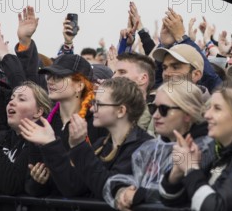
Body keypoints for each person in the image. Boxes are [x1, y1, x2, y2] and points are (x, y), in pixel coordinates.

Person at [19, 77, 151, 198]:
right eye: (93, 103)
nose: (92, 109)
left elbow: (109, 187)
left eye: (98, 104)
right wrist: (50, 143)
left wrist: (79, 145)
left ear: (121, 111)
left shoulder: (144, 146)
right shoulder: (102, 144)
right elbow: (74, 187)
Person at [160, 75, 232, 211]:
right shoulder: (214, 148)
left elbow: (214, 209)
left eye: (217, 109)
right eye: (209, 108)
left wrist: (191, 168)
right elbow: (171, 201)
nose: (207, 115)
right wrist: (177, 172)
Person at [104, 80, 209, 211]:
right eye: (153, 108)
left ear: (187, 114)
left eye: (163, 109)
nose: (155, 116)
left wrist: (139, 195)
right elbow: (124, 179)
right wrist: (121, 191)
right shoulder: (149, 148)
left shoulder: (205, 148)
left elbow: (188, 195)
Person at [0, 81, 51, 195]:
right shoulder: (3, 137)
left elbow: (12, 185)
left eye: (21, 99)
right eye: (11, 98)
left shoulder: (41, 142)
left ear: (38, 111)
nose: (11, 103)